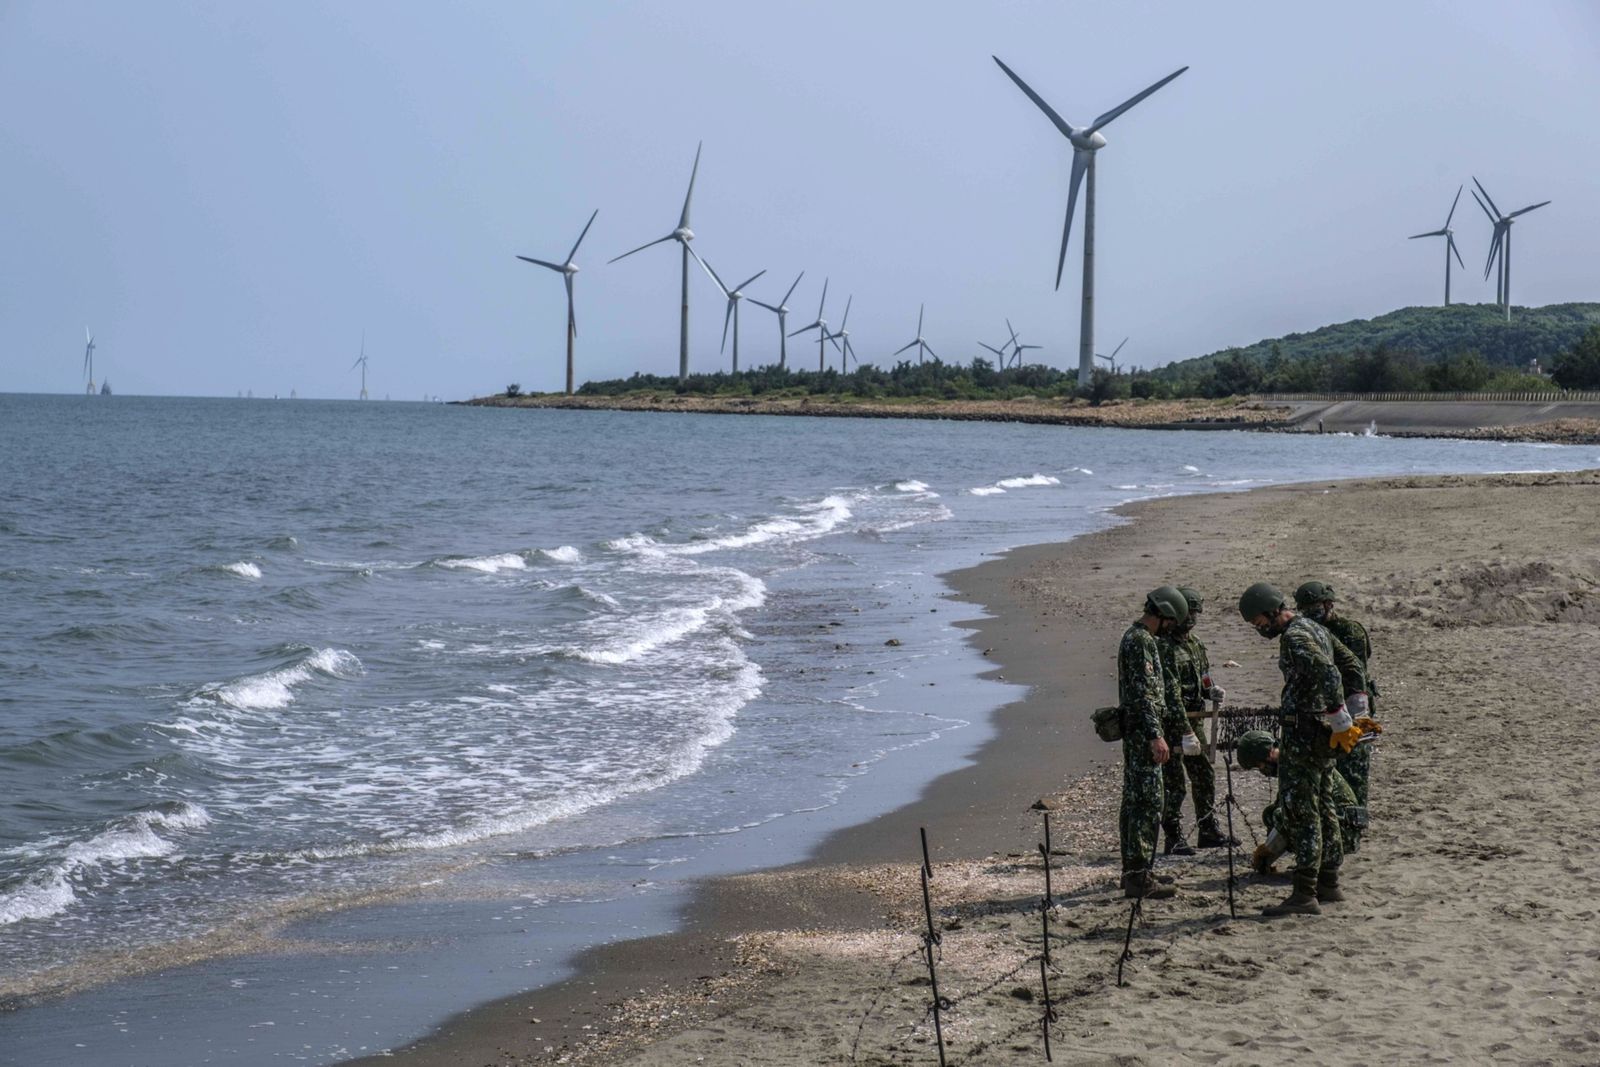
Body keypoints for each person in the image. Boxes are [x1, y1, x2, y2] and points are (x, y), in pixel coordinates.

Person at [1238, 582, 1362, 916]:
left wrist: (1340, 715)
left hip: (1305, 733)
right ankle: (1329, 883)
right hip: (1320, 733)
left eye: (1258, 622)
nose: (1259, 628)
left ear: (1271, 610)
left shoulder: (1294, 637)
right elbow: (1350, 662)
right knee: (1324, 805)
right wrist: (1357, 708)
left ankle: (1304, 893)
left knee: (1302, 809)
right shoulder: (1315, 629)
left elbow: (1328, 671)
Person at [1117, 586, 1190, 900]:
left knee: (1135, 802)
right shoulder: (1142, 642)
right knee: (1147, 804)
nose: (1172, 627)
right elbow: (1145, 694)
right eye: (1171, 621)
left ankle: (1134, 871)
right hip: (1143, 734)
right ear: (1162, 615)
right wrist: (1155, 735)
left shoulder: (1134, 638)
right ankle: (1138, 876)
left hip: (1137, 732)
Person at [1295, 581, 1381, 807]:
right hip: (1328, 706)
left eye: (1312, 607)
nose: (1308, 614)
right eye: (1303, 609)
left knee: (1354, 766)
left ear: (1328, 604)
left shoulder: (1350, 631)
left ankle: (1355, 815)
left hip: (1353, 705)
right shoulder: (1310, 631)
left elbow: (1355, 672)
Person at [1162, 587, 1235, 850]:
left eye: (1195, 613)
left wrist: (1210, 689)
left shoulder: (1195, 644)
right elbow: (1167, 692)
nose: (1191, 618)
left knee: (1203, 773)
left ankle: (1207, 828)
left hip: (1194, 719)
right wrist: (1183, 729)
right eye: (1187, 613)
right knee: (1173, 782)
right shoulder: (1163, 646)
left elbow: (1203, 674)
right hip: (1170, 723)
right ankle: (1173, 835)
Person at [1234, 730, 1364, 873]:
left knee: (1282, 815)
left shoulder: (1296, 767)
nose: (1262, 771)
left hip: (1343, 831)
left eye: (1260, 765)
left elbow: (1293, 814)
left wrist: (1268, 852)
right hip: (1339, 823)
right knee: (1271, 813)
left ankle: (1314, 866)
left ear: (1268, 754)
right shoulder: (1291, 759)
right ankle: (1313, 860)